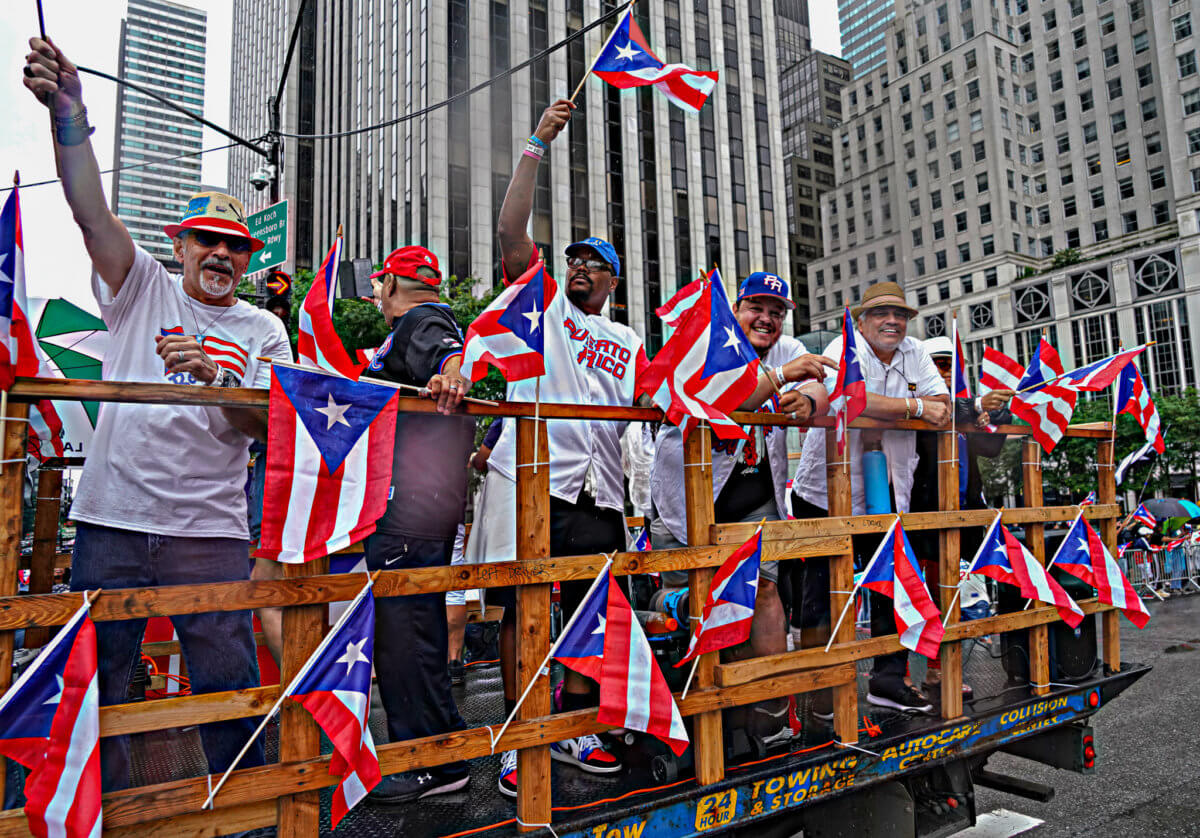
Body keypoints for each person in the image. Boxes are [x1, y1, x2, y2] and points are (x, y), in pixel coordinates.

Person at [23, 37, 292, 790]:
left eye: (235, 246)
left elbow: (264, 430)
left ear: (246, 258)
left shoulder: (264, 330)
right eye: (206, 240)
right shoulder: (143, 286)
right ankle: (84, 812)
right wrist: (69, 117)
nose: (221, 255)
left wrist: (216, 381)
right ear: (178, 245)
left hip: (209, 533)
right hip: (112, 522)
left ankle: (246, 813)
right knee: (96, 687)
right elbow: (89, 212)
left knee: (228, 690)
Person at [470, 98, 648, 797]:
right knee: (524, 611)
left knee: (590, 610)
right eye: (573, 259)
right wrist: (537, 144)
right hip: (531, 481)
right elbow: (511, 229)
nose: (579, 268)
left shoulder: (630, 341)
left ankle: (574, 722)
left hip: (598, 492)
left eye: (593, 264)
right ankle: (521, 729)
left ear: (612, 282)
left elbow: (653, 404)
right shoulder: (538, 304)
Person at [648, 272, 833, 742]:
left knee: (766, 591)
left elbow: (822, 384)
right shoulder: (708, 339)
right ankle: (703, 710)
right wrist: (778, 379)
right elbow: (720, 404)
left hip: (755, 493)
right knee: (697, 598)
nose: (767, 319)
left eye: (777, 311)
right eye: (757, 307)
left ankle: (769, 708)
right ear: (735, 309)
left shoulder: (787, 349)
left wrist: (806, 400)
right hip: (691, 494)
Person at [789, 281, 951, 717]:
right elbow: (848, 398)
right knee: (821, 592)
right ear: (862, 320)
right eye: (881, 314)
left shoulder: (916, 351)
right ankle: (818, 686)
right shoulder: (846, 345)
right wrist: (913, 407)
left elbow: (945, 404)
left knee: (891, 587)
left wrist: (885, 407)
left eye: (899, 315)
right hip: (825, 493)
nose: (892, 322)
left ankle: (888, 680)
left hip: (891, 492)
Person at [360, 245, 476, 803]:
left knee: (407, 636)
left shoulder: (421, 320)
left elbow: (447, 359)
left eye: (378, 285)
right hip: (416, 505)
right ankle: (439, 754)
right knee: (413, 632)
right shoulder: (420, 324)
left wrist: (450, 374)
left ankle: (433, 763)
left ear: (388, 285)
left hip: (410, 508)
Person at [910, 336, 1013, 702]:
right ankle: (916, 675)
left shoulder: (967, 404)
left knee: (955, 590)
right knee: (920, 594)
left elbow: (992, 446)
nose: (946, 371)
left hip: (965, 508)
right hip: (923, 509)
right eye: (938, 363)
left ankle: (950, 669)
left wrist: (996, 414)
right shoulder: (918, 396)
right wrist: (971, 407)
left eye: (951, 364)